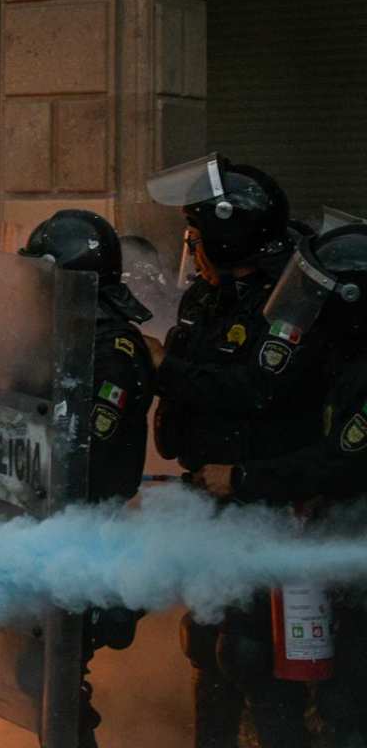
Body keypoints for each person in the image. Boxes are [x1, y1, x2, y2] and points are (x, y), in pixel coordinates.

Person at [145, 155, 330, 748]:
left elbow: (255, 388)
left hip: (269, 499)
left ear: (229, 236)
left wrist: (164, 370)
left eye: (197, 238)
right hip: (213, 491)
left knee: (252, 651)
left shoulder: (290, 298)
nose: (190, 249)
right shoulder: (211, 295)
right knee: (206, 639)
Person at [192, 223, 367, 746]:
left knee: (351, 703)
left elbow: (342, 459)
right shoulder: (350, 358)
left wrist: (243, 478)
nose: (306, 307)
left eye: (318, 295)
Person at [19, 209, 155, 748]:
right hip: (52, 532)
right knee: (43, 673)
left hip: (90, 535)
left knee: (50, 673)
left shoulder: (111, 351)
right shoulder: (61, 339)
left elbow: (86, 446)